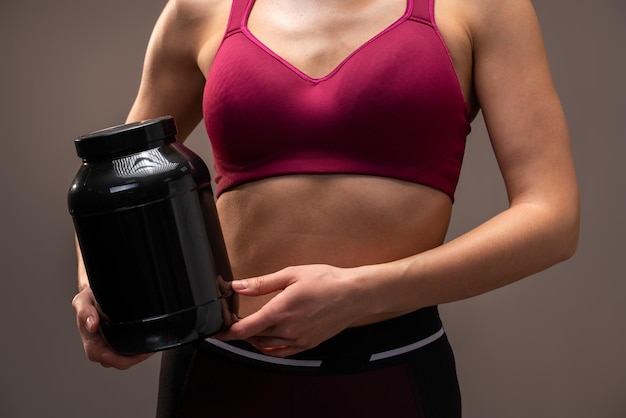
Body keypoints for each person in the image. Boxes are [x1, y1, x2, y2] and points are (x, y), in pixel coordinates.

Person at [71, 0, 579, 416]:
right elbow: (118, 172)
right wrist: (100, 288)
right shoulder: (200, 10)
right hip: (217, 370)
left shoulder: (481, 9)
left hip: (388, 372)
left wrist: (362, 293)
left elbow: (552, 217)